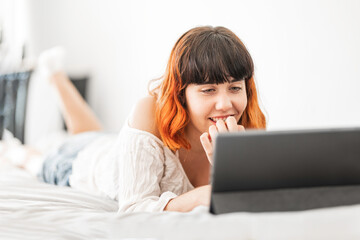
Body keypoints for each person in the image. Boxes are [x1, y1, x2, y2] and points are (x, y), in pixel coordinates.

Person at [5, 26, 266, 213]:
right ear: (181, 94)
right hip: (85, 164)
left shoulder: (247, 126)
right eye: (208, 90)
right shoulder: (149, 112)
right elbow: (134, 209)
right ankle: (51, 82)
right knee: (36, 158)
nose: (225, 104)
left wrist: (230, 166)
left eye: (234, 88)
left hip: (112, 146)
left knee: (89, 133)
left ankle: (55, 72)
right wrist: (205, 194)